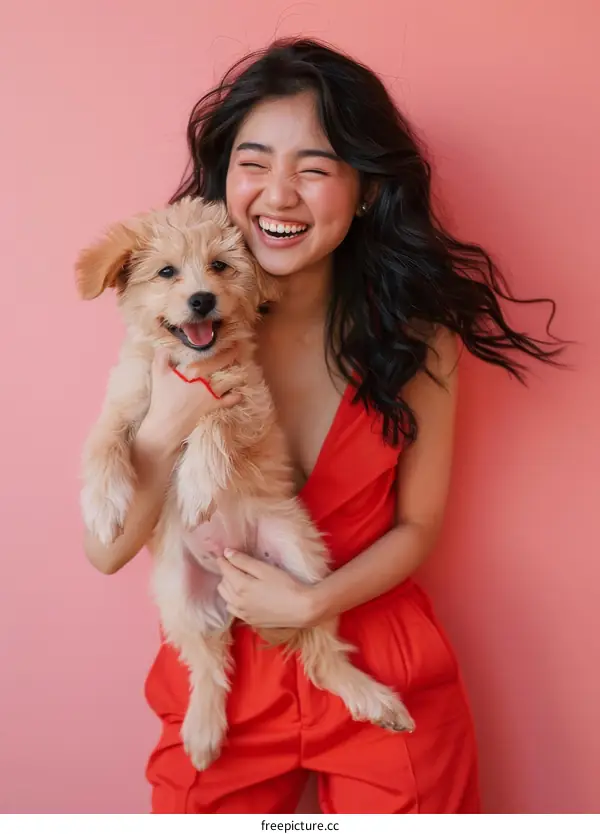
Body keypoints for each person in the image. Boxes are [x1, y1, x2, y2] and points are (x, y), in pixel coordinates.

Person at [83, 37, 563, 814]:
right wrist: (168, 423)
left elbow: (418, 522)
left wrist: (314, 603)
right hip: (221, 678)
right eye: (254, 162)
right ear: (225, 179)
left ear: (367, 189)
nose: (278, 195)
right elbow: (106, 551)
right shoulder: (182, 322)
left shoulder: (419, 342)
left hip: (376, 658)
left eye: (313, 168)